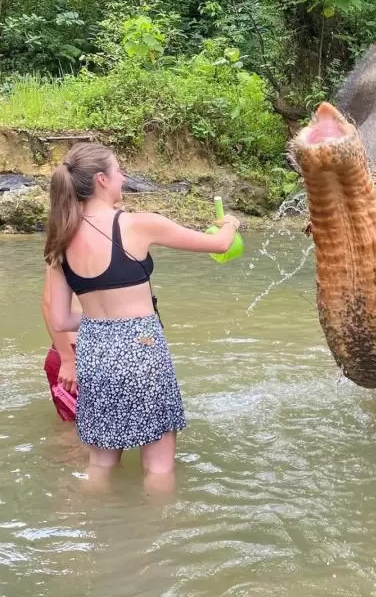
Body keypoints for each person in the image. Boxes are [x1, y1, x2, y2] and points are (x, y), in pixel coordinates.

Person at [43, 142, 240, 491]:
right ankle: (159, 538)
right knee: (159, 468)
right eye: (119, 171)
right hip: (143, 350)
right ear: (102, 179)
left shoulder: (61, 239)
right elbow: (221, 245)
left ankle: (77, 526)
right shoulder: (139, 225)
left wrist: (99, 322)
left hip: (94, 354)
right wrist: (230, 223)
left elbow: (59, 319)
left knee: (101, 462)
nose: (124, 177)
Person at [41, 278, 81, 422]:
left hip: (113, 354)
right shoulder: (66, 255)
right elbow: (50, 303)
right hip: (73, 353)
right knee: (74, 434)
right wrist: (68, 359)